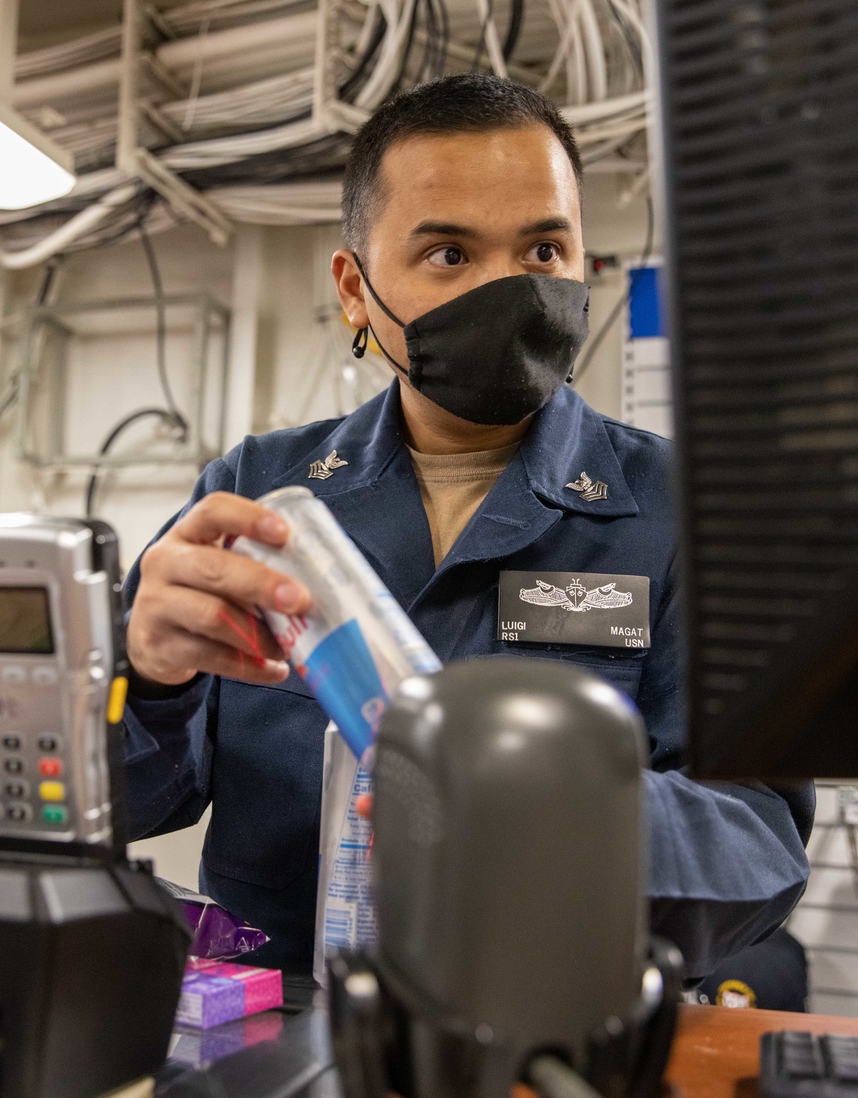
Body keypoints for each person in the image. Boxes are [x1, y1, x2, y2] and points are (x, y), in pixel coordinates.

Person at [121, 73, 813, 977]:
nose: (510, 290)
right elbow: (122, 801)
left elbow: (760, 840)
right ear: (356, 289)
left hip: (550, 1028)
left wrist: (567, 815)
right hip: (281, 1037)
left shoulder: (684, 511)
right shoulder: (257, 498)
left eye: (543, 250)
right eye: (449, 253)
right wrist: (147, 679)